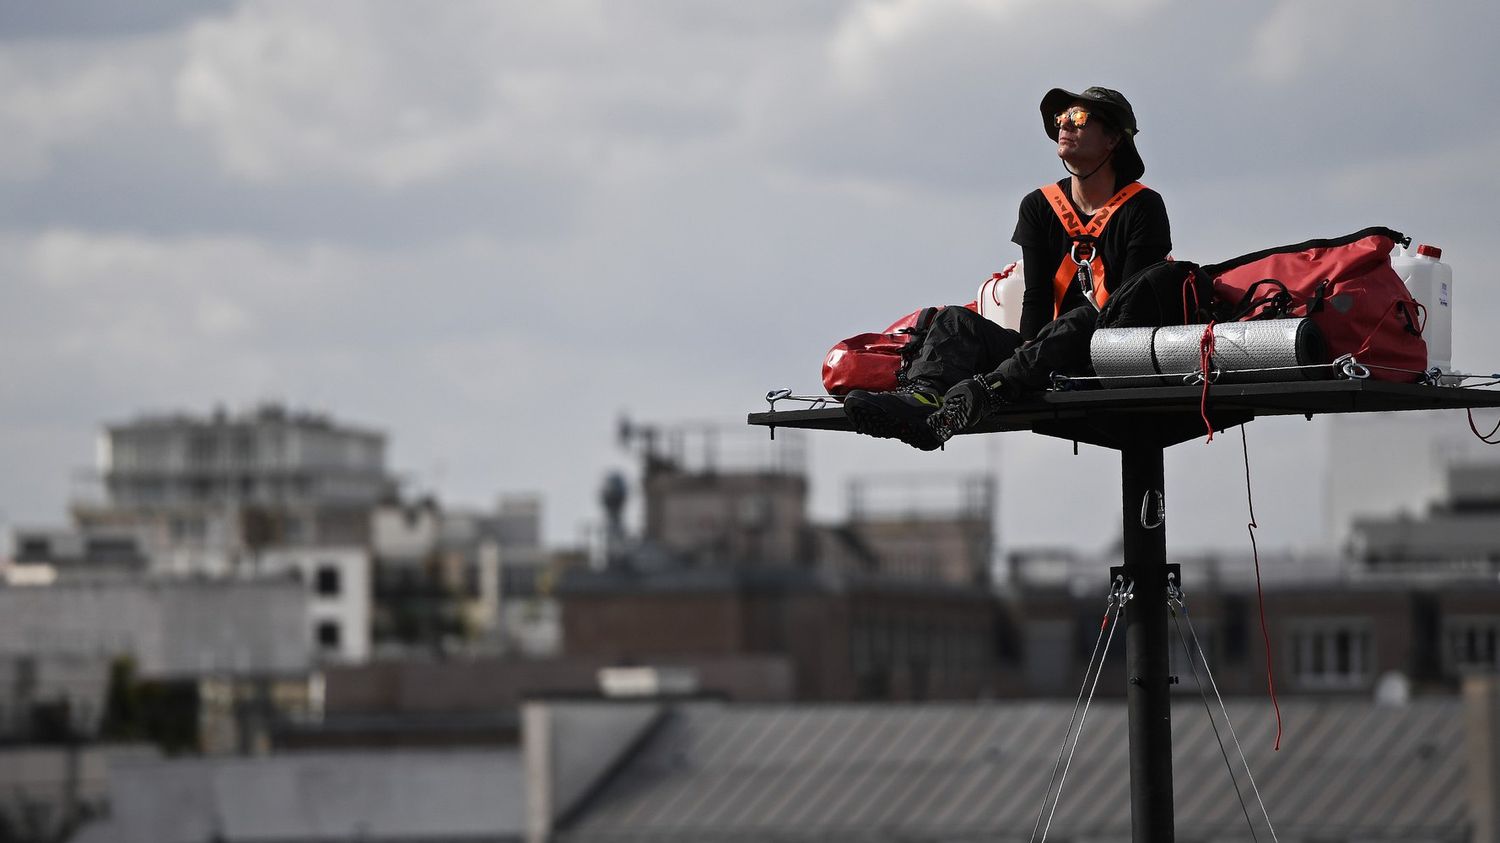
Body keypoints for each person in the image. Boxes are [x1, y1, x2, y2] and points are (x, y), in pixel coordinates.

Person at [844, 86, 1172, 450]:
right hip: (1042, 356)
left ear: (1112, 140)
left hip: (1102, 354)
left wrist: (1042, 355)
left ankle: (988, 391)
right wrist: (1030, 354)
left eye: (1079, 119)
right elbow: (1037, 297)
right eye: (1061, 119)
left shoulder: (1144, 207)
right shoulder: (1040, 205)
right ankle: (924, 400)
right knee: (954, 320)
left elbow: (1129, 309)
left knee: (1081, 319)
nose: (1065, 126)